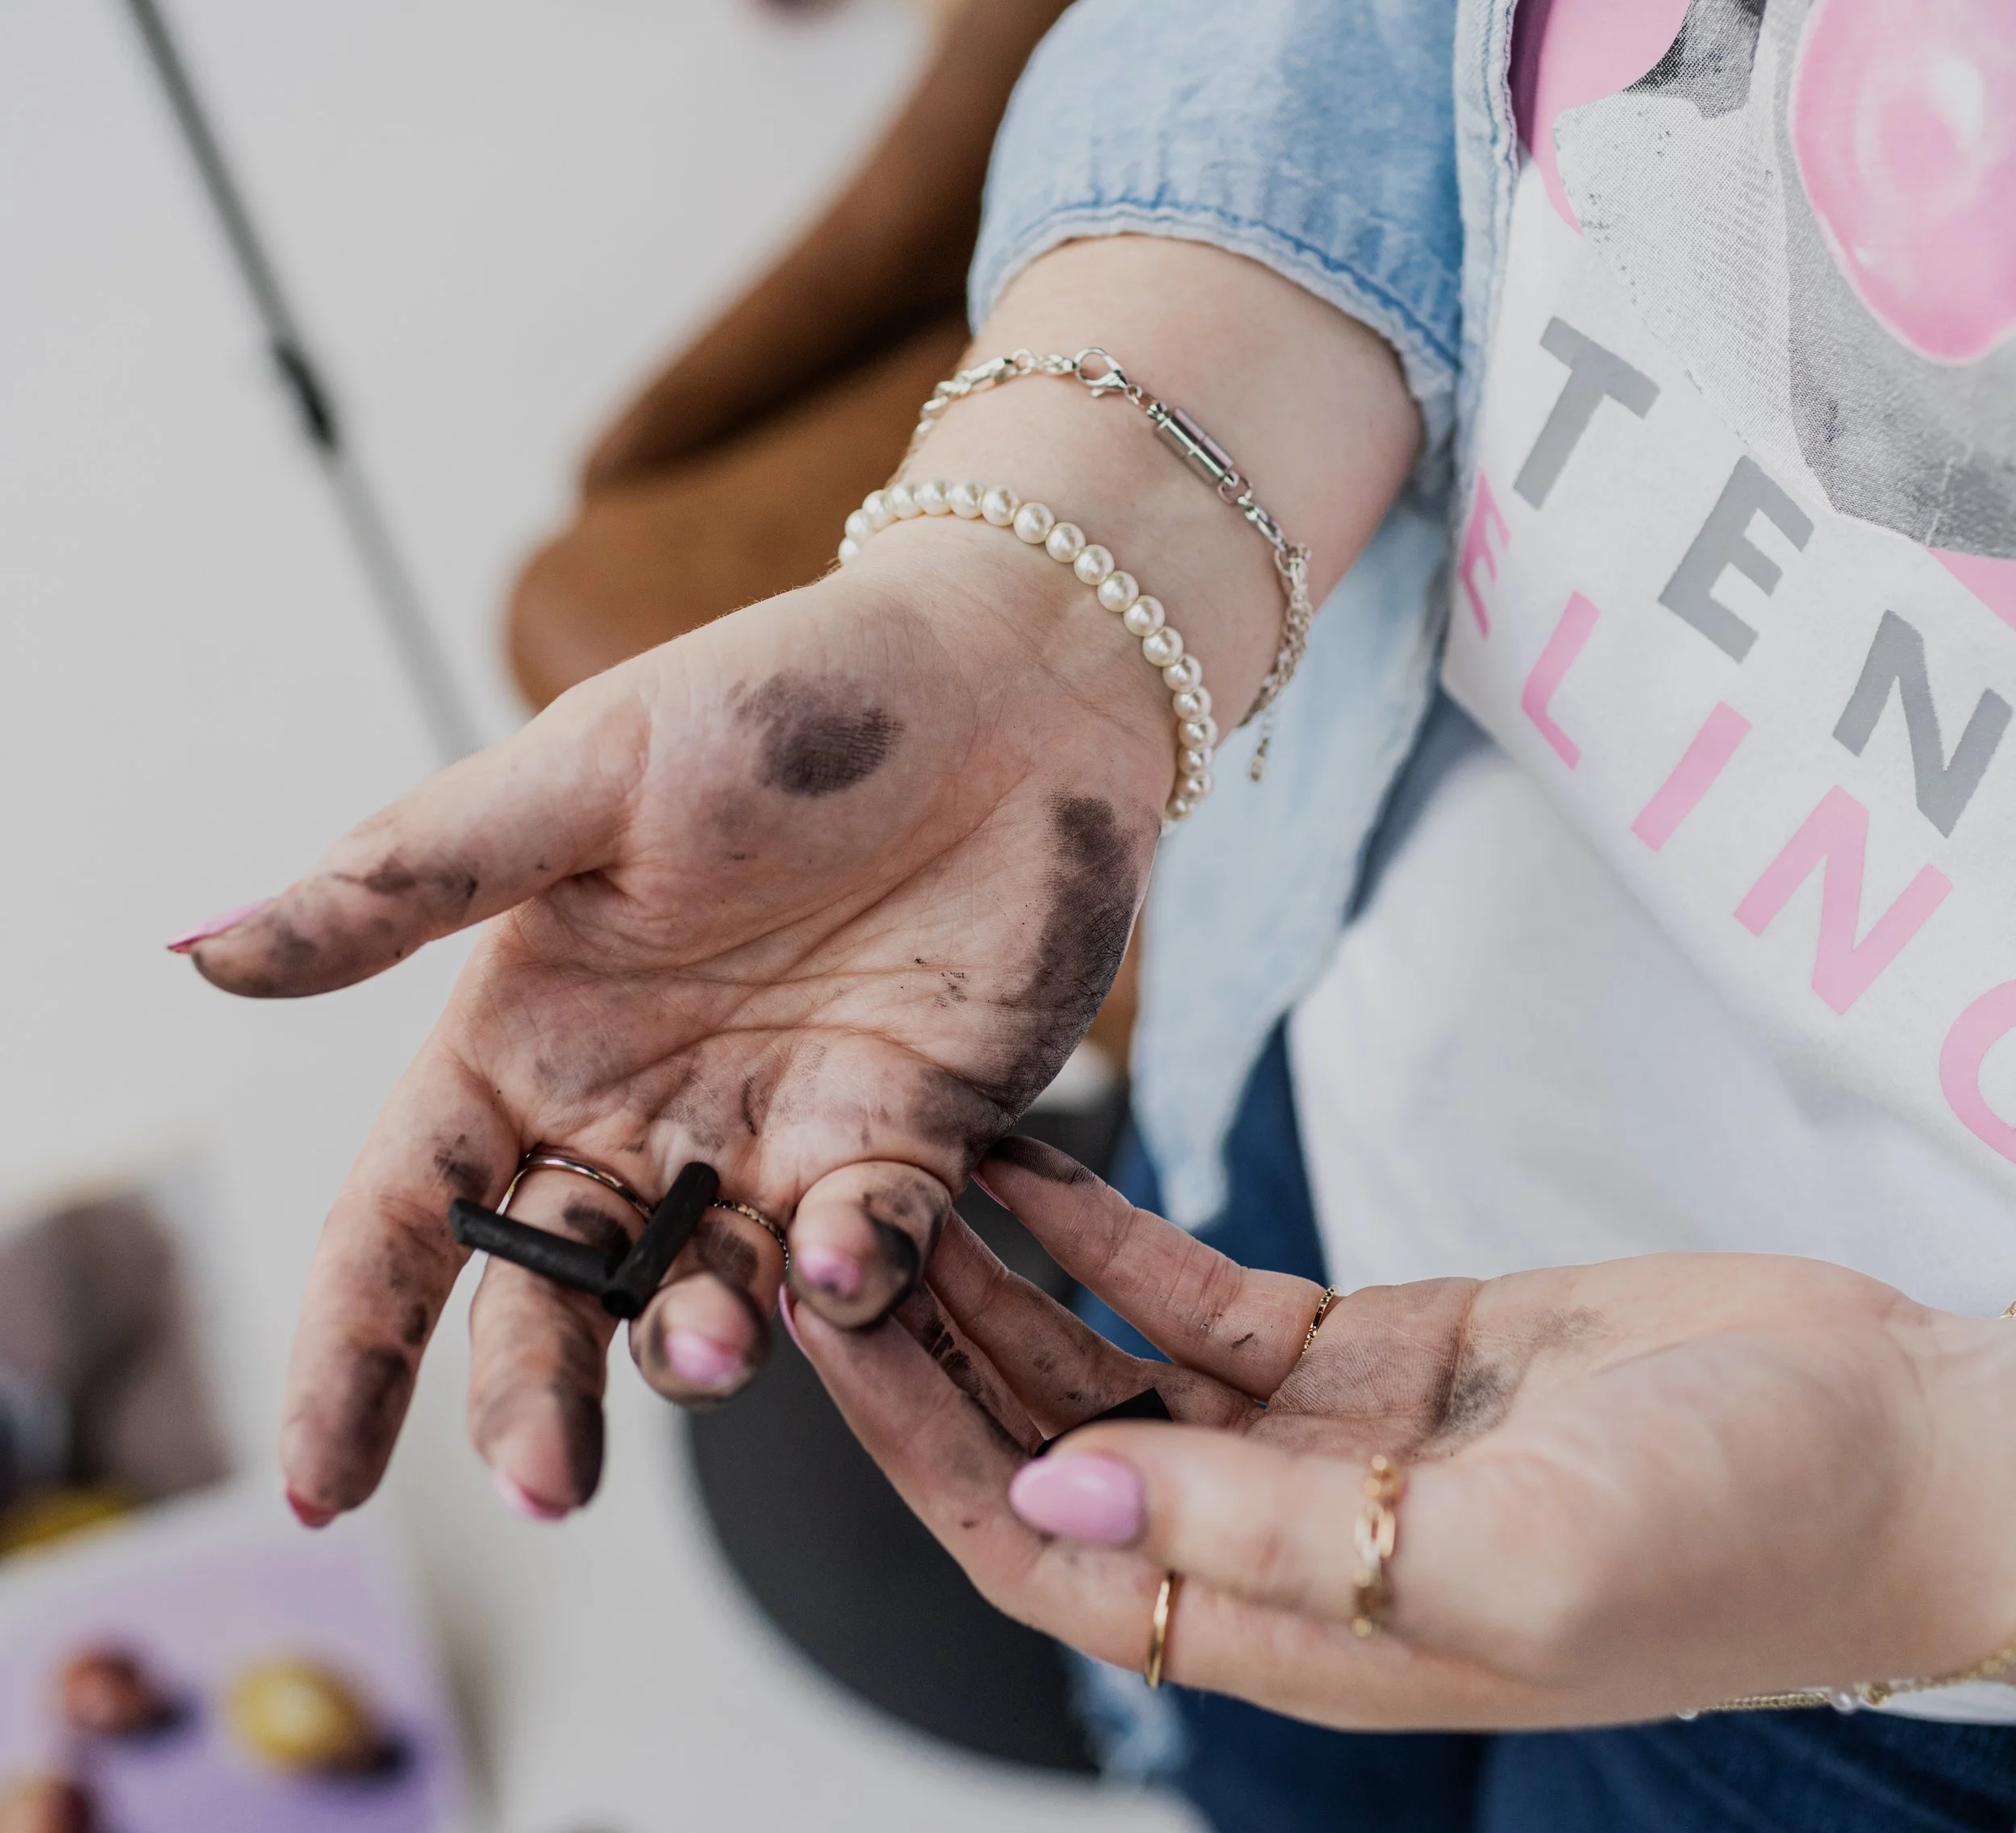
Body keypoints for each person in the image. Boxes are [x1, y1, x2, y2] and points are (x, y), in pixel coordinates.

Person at [169, 0, 2016, 1826]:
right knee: (1105, 1663)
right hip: (1337, 1097)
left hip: (1910, 1624)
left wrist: (1925, 1505)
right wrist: (1038, 597)